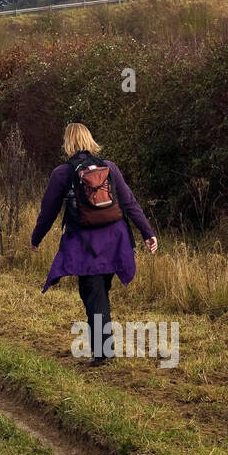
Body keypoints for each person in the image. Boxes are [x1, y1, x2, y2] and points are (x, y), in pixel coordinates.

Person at [30, 122, 156, 367]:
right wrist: (147, 232)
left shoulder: (62, 173)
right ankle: (103, 347)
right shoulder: (109, 168)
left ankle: (103, 354)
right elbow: (130, 203)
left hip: (85, 244)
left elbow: (48, 212)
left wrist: (36, 238)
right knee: (99, 292)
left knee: (93, 294)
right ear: (90, 140)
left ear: (68, 143)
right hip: (115, 240)